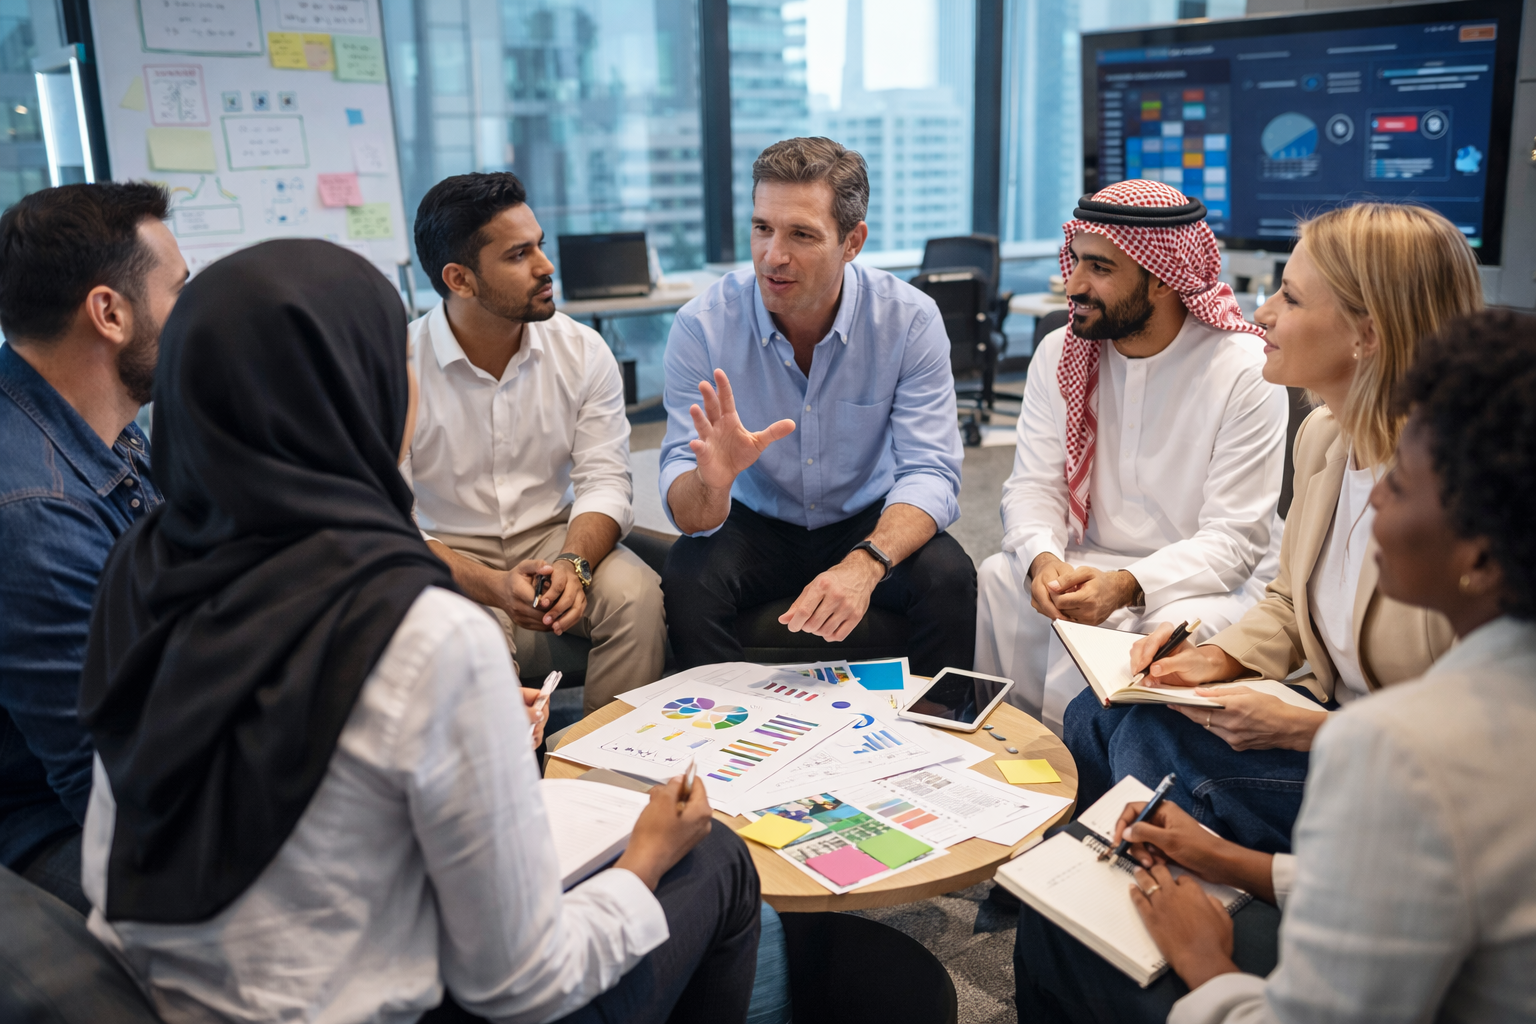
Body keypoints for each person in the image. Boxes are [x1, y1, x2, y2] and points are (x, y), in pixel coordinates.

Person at [76, 240, 762, 1023]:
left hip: (172, 995)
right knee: (712, 859)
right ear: (355, 391)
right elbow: (523, 984)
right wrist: (644, 859)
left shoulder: (145, 565)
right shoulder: (417, 630)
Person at [1015, 307, 1536, 1022]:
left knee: (1066, 928)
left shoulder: (1404, 749)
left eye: (1403, 486)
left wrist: (1209, 964)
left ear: (1479, 555)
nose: (1377, 494)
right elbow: (1403, 889)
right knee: (1102, 718)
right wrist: (1240, 866)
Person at [1065, 203, 1477, 852]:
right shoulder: (1323, 439)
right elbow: (1288, 602)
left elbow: (1489, 728)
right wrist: (1213, 658)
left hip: (1412, 772)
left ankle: (1166, 907)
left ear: (1366, 334)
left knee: (1150, 736)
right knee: (1098, 710)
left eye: (1289, 296)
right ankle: (1092, 885)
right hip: (1330, 715)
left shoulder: (1460, 492)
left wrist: (1302, 731)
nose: (1261, 313)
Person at [974, 180, 1288, 734]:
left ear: (1163, 276)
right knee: (1003, 577)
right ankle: (1014, 759)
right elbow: (1032, 488)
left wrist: (1125, 583)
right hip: (1085, 554)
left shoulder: (1243, 369)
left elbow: (1235, 542)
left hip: (1205, 578)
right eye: (1075, 261)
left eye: (1098, 267)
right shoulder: (1060, 351)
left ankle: (1117, 784)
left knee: (1165, 627)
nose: (1073, 284)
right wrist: (1044, 560)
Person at [658, 137, 973, 675]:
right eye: (762, 228)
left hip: (865, 517)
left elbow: (931, 471)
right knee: (690, 574)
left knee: (949, 575)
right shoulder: (703, 326)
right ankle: (718, 739)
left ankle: (939, 738)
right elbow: (687, 504)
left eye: (801, 234)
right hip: (755, 519)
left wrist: (868, 562)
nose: (772, 256)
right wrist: (713, 483)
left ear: (852, 242)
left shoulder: (909, 320)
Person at [406, 172, 664, 714]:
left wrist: (575, 563)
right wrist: (491, 586)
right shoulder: (395, 367)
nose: (546, 266)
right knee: (467, 637)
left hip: (554, 537)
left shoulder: (582, 350)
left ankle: (599, 778)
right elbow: (386, 521)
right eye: (519, 255)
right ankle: (510, 788)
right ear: (460, 279)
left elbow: (605, 480)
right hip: (445, 549)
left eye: (540, 245)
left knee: (637, 596)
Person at [0, 182, 186, 915]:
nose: (196, 320)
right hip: (52, 826)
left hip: (143, 761)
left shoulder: (102, 425)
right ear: (109, 313)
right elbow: (110, 785)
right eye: (181, 292)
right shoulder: (34, 510)